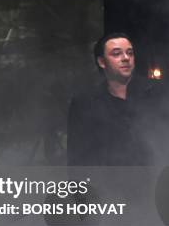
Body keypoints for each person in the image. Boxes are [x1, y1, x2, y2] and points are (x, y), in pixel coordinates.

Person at [67, 32, 162, 166]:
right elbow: (77, 160)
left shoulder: (156, 94)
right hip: (106, 182)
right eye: (116, 54)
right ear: (101, 62)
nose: (126, 58)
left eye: (130, 53)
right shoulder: (85, 103)